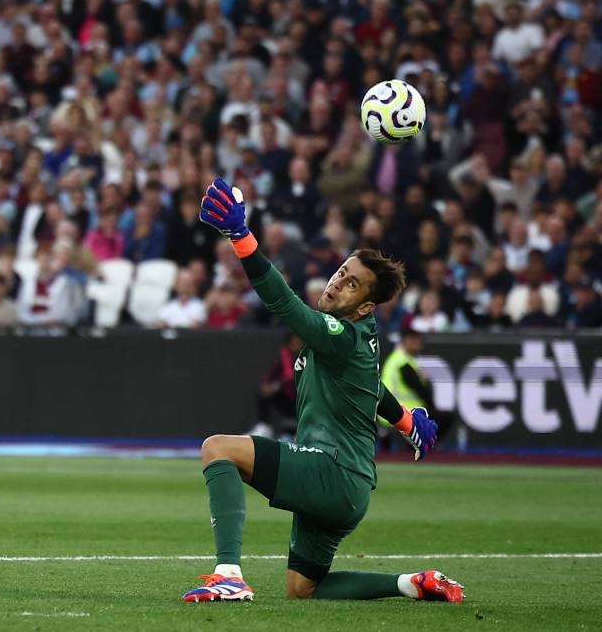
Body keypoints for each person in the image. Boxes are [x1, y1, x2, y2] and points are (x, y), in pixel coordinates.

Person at [181, 179, 462, 604]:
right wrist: (406, 420)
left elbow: (285, 305)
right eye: (341, 273)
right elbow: (372, 389)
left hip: (331, 473)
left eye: (352, 284)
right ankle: (411, 583)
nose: (337, 283)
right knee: (302, 590)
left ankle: (229, 576)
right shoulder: (360, 337)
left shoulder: (341, 333)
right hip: (349, 489)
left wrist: (242, 238)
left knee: (218, 449)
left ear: (367, 306)